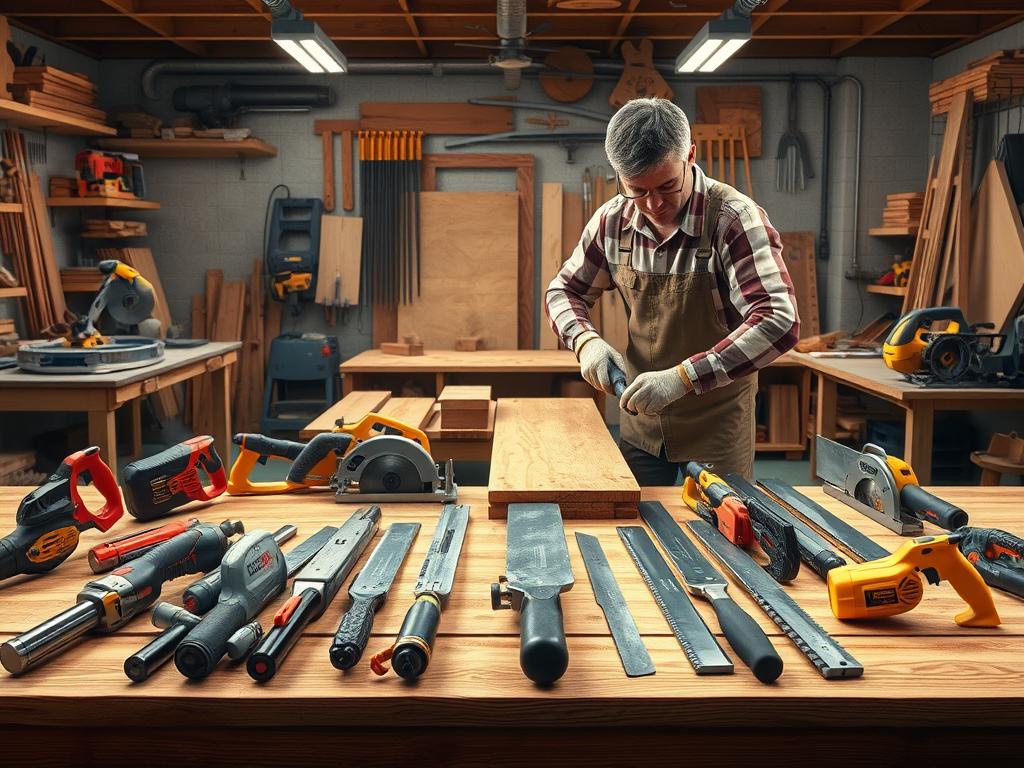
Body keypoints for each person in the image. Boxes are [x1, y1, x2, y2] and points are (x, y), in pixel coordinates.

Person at [545, 97, 799, 483]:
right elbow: (564, 291)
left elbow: (779, 320)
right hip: (642, 416)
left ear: (690, 156)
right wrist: (585, 342)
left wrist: (683, 378)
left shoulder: (734, 219)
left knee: (724, 533)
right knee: (635, 523)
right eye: (637, 190)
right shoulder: (612, 222)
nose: (654, 203)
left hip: (717, 419)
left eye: (667, 185)